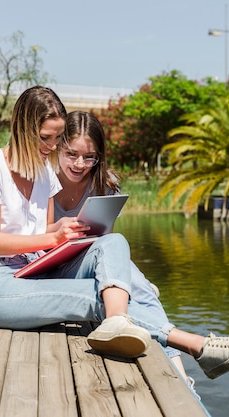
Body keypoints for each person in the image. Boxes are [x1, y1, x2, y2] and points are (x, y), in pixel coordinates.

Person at [0, 85, 229, 381]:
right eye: (45, 138)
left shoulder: (42, 172)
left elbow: (41, 230)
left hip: (35, 270)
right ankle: (196, 345)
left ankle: (119, 321)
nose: (52, 147)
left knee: (113, 240)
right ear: (21, 128)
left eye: (57, 138)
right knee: (98, 296)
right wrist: (53, 237)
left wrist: (66, 230)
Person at [54, 110, 193, 386]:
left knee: (136, 281)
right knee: (137, 282)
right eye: (71, 154)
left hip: (89, 261)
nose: (80, 163)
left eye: (89, 156)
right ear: (59, 146)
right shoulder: (43, 181)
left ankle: (181, 377)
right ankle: (184, 362)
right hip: (52, 267)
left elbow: (108, 240)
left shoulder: (105, 184)